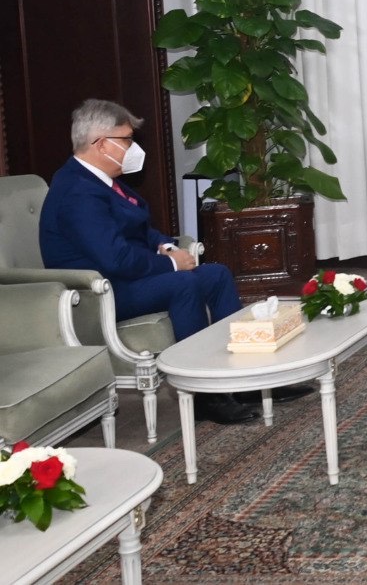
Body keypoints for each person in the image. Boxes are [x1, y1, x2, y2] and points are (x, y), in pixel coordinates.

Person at [39, 99, 310, 425]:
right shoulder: (77, 191)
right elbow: (116, 258)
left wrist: (165, 246)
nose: (133, 148)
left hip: (125, 279)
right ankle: (202, 394)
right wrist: (172, 265)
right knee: (184, 283)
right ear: (100, 144)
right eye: (126, 140)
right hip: (100, 293)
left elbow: (139, 229)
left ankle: (245, 377)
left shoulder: (100, 180)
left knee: (217, 274)